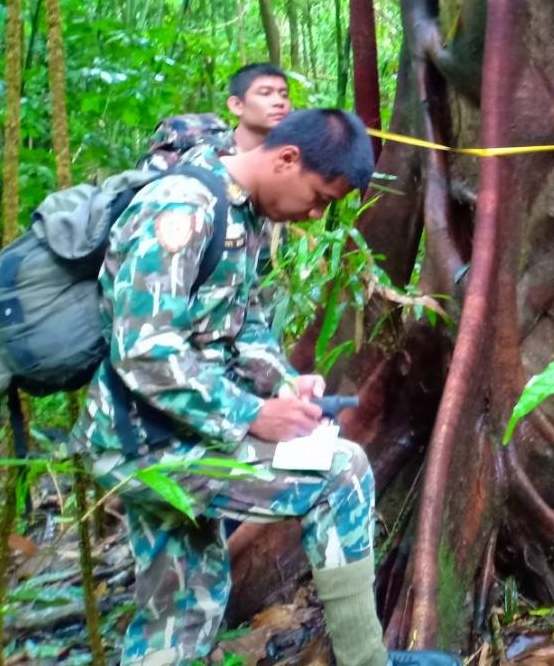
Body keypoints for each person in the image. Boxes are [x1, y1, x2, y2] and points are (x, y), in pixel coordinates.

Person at [74, 109, 387, 665]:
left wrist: (285, 383)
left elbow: (240, 324)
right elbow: (144, 350)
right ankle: (366, 661)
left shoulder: (248, 216)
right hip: (145, 444)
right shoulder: (182, 207)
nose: (316, 214)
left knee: (183, 606)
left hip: (176, 432)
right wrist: (248, 414)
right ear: (287, 159)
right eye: (318, 197)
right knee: (342, 474)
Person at [138, 61, 292, 171]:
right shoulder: (203, 157)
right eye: (265, 93)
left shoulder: (283, 163)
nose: (279, 102)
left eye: (284, 95)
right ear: (237, 105)